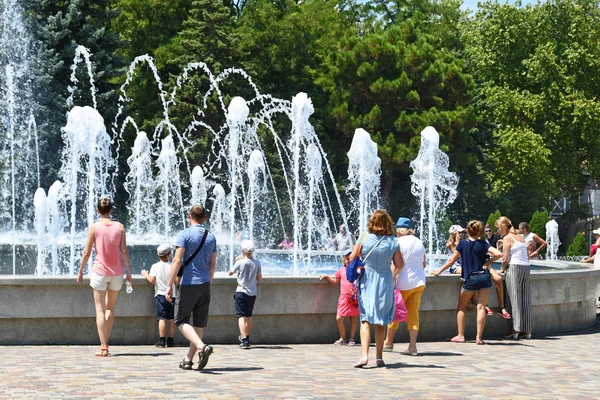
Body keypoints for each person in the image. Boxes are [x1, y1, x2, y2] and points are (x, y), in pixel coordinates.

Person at [76, 197, 132, 357]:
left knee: (100, 310)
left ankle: (103, 346)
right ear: (111, 210)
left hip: (99, 272)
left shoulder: (94, 228)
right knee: (110, 309)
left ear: (97, 210)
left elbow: (86, 252)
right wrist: (128, 272)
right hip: (117, 273)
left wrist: (80, 271)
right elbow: (124, 251)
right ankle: (105, 343)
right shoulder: (120, 227)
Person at [433, 220, 502, 344]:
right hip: (484, 277)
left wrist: (439, 272)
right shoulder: (483, 244)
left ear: (468, 231)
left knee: (461, 306)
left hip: (470, 278)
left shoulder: (462, 244)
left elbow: (451, 261)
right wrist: (488, 262)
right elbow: (498, 253)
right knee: (481, 307)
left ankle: (460, 335)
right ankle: (479, 338)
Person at [166, 205, 217, 371]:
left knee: (180, 320)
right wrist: (208, 281)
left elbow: (177, 260)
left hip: (189, 283)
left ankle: (202, 347)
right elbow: (212, 264)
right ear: (205, 217)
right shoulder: (211, 237)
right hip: (204, 284)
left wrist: (169, 284)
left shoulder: (185, 234)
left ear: (189, 216)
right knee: (199, 324)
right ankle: (188, 359)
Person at [349, 210, 402, 368]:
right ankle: (379, 357)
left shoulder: (364, 237)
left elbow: (351, 258)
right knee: (381, 320)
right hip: (385, 281)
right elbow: (399, 264)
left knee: (365, 319)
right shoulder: (393, 241)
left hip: (367, 280)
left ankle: (364, 356)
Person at [383, 217, 426, 356]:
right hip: (419, 283)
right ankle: (412, 346)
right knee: (413, 314)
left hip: (403, 283)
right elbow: (423, 264)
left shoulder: (398, 242)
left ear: (400, 230)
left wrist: (389, 282)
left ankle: (389, 342)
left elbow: (396, 265)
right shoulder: (419, 242)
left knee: (395, 312)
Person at [497, 217, 532, 340]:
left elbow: (505, 258)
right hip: (526, 267)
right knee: (525, 298)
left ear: (504, 227)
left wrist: (501, 269)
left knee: (513, 298)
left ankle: (515, 329)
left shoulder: (507, 238)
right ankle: (527, 330)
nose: (498, 231)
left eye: (498, 228)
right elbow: (527, 255)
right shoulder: (520, 238)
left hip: (514, 267)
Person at [318, 250, 359, 346]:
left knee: (353, 318)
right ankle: (343, 338)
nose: (349, 261)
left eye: (351, 259)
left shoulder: (357, 269)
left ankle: (352, 339)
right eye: (347, 259)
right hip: (344, 298)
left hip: (354, 297)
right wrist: (327, 277)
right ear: (344, 260)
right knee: (339, 318)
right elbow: (336, 281)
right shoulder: (341, 270)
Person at [141, 243, 177, 348]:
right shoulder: (172, 267)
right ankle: (171, 340)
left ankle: (161, 341)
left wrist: (145, 274)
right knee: (171, 318)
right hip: (171, 295)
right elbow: (176, 280)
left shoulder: (155, 266)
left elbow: (152, 280)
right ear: (169, 255)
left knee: (161, 318)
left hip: (160, 295)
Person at [229, 239, 262, 349]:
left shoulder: (240, 262)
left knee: (241, 316)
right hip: (252, 293)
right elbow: (260, 278)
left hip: (241, 291)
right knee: (249, 316)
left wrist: (237, 260)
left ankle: (244, 340)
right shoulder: (257, 263)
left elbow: (230, 273)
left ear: (242, 251)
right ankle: (247, 337)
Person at [484, 224, 511, 320]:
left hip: (486, 266)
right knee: (482, 279)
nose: (488, 233)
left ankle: (501, 307)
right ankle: (484, 305)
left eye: (489, 231)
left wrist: (488, 262)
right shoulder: (467, 243)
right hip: (476, 268)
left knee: (499, 279)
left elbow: (498, 254)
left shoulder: (484, 242)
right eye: (485, 231)